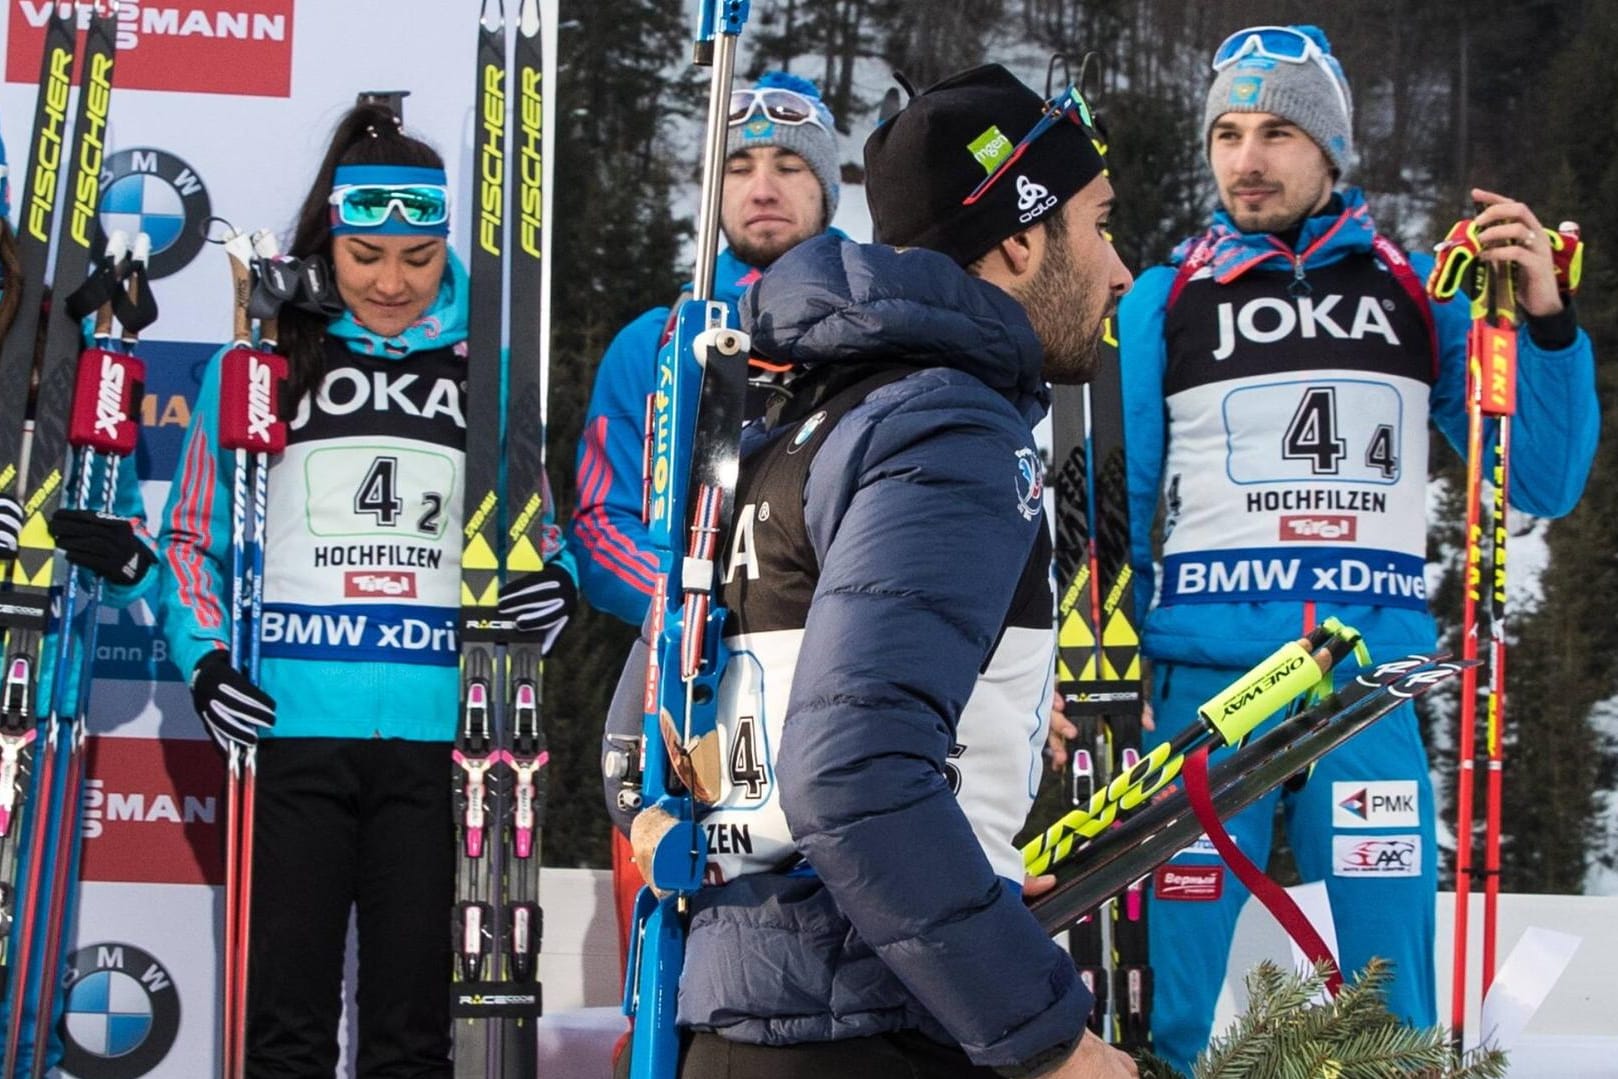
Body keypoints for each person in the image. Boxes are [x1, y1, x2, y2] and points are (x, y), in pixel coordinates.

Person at [607, 65, 1137, 1078]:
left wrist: (957, 881)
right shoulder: (948, 427)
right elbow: (852, 772)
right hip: (879, 1031)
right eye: (1098, 224)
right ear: (1021, 239)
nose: (1118, 269)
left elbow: (637, 739)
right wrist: (1050, 1039)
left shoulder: (783, 421)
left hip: (734, 1021)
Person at [1113, 24, 1598, 1073]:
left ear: (1330, 150)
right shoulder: (1167, 298)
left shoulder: (1426, 290)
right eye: (1228, 133)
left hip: (1364, 690)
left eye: (1278, 132)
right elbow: (1122, 505)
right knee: (1173, 1002)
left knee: (1385, 1004)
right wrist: (1099, 666)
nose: (1246, 158)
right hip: (1205, 688)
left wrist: (1547, 324)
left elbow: (1538, 478)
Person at [155, 103, 577, 1075]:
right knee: (286, 1032)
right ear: (329, 241)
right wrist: (208, 658)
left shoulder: (489, 376)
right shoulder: (263, 364)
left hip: (443, 740)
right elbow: (188, 536)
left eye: (418, 257)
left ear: (445, 251)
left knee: (412, 1036)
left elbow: (537, 538)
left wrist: (548, 588)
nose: (391, 281)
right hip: (292, 729)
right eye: (365, 253)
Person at [570, 71, 843, 626]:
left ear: (826, 188)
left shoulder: (891, 318)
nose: (763, 189)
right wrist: (701, 605)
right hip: (698, 661)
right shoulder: (656, 341)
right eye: (738, 169)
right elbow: (603, 526)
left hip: (855, 647)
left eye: (789, 168)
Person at [0, 138, 158, 1070]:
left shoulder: (51, 333)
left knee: (17, 970)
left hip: (28, 697)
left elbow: (121, 540)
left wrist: (109, 550)